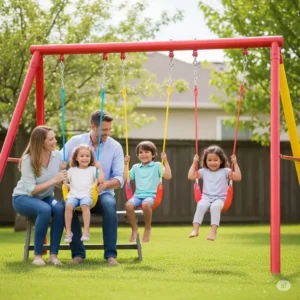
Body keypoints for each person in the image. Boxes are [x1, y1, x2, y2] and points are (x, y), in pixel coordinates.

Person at [62, 110, 124, 265]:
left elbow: (120, 177)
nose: (107, 133)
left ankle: (110, 255)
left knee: (110, 205)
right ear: (93, 126)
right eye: (104, 130)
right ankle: (77, 254)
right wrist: (66, 181)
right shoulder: (75, 142)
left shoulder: (115, 147)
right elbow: (59, 163)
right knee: (68, 206)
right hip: (77, 191)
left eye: (109, 129)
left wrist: (106, 184)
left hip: (102, 193)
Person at [12, 125, 67, 265]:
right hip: (23, 198)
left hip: (45, 197)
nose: (55, 141)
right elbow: (31, 190)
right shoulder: (28, 160)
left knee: (60, 208)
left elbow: (58, 182)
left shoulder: (57, 155)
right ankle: (37, 257)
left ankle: (53, 256)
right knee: (45, 209)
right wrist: (55, 180)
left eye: (54, 137)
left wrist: (66, 183)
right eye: (51, 139)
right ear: (40, 142)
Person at [187, 145, 242, 241]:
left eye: (215, 160)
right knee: (200, 204)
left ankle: (213, 232)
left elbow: (237, 177)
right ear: (205, 161)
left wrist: (235, 163)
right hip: (206, 198)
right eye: (209, 160)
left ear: (221, 160)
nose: (212, 163)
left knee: (215, 207)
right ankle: (195, 230)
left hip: (220, 198)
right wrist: (194, 162)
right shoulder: (204, 171)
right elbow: (190, 176)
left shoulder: (225, 171)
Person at [124, 141, 172, 243]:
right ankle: (134, 229)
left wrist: (166, 161)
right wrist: (125, 164)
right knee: (128, 205)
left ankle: (148, 228)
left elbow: (168, 176)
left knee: (145, 204)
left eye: (147, 152)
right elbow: (125, 178)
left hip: (152, 196)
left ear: (153, 154)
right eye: (141, 152)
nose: (143, 154)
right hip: (137, 196)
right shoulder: (136, 167)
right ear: (137, 155)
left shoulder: (157, 165)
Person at [64, 144, 105, 243]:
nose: (85, 158)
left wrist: (100, 168)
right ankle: (68, 233)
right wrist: (63, 173)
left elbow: (101, 180)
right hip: (73, 195)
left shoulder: (93, 169)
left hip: (87, 195)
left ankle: (86, 231)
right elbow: (64, 180)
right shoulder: (72, 170)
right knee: (68, 206)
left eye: (87, 156)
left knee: (85, 205)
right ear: (76, 158)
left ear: (91, 158)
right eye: (81, 156)